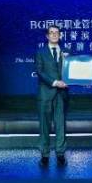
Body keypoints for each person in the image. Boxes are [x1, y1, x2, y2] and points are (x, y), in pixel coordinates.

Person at [35, 26, 69, 167]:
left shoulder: (66, 52)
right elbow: (40, 72)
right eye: (51, 33)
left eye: (57, 33)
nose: (54, 35)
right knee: (45, 126)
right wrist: (55, 82)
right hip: (46, 94)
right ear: (47, 36)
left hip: (61, 94)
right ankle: (45, 154)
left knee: (61, 125)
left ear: (60, 36)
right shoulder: (40, 52)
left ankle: (60, 154)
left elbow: (71, 72)